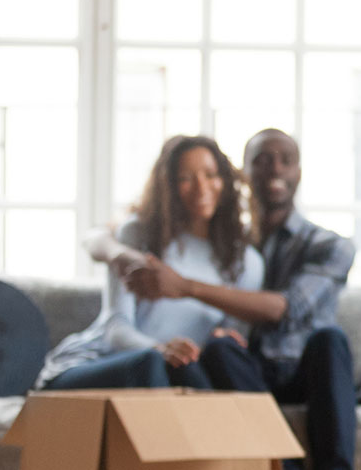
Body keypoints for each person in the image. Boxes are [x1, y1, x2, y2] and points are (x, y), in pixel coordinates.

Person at [94, 128, 357, 470]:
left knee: (330, 338)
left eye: (286, 160)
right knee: (219, 349)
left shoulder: (329, 246)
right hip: (246, 370)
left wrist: (185, 286)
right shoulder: (231, 242)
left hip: (299, 371)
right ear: (243, 175)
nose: (275, 169)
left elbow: (287, 308)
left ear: (299, 171)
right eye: (262, 161)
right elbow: (102, 237)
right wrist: (111, 249)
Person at [37, 136, 264, 391]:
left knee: (191, 372)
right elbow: (115, 329)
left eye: (211, 175)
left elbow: (228, 340)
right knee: (152, 362)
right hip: (93, 364)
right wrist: (160, 348)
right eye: (185, 178)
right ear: (168, 185)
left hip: (175, 374)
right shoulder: (138, 235)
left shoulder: (246, 262)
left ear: (226, 181)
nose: (201, 188)